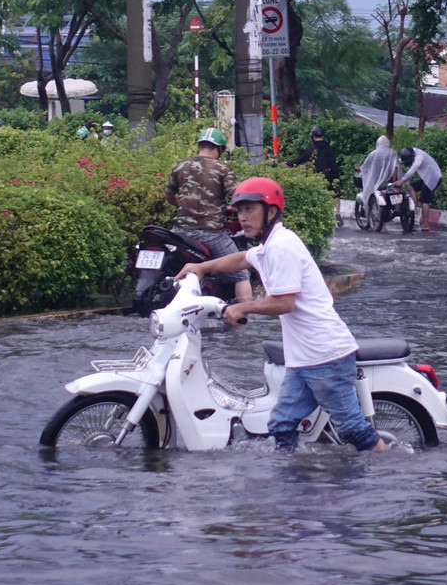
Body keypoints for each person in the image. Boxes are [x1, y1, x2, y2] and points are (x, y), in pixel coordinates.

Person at [178, 176, 388, 453]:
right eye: (239, 211)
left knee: (352, 429)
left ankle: (391, 471)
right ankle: (294, 484)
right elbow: (243, 258)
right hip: (304, 359)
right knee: (281, 425)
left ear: (271, 212)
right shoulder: (268, 246)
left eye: (250, 209)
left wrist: (243, 306)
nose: (242, 217)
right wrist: (203, 267)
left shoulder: (281, 247)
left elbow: (283, 303)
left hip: (327, 356)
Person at [165, 128, 253, 303]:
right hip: (211, 235)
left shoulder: (181, 165)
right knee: (241, 272)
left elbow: (168, 194)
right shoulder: (222, 169)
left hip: (179, 234)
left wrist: (182, 205)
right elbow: (237, 196)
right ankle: (244, 316)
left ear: (199, 145)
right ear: (219, 149)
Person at [287, 125, 342, 224]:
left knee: (316, 197)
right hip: (329, 176)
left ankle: (321, 217)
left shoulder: (310, 149)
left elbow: (298, 160)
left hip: (315, 178)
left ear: (312, 137)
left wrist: (287, 164)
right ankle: (337, 212)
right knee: (336, 195)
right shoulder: (329, 149)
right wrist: (336, 179)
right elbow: (334, 165)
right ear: (323, 136)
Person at [394, 146, 442, 230]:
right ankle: (413, 209)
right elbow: (398, 162)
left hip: (434, 178)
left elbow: (412, 169)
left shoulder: (420, 156)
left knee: (424, 200)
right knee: (411, 186)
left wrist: (402, 180)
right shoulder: (410, 153)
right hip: (426, 177)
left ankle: (426, 224)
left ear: (413, 155)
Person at [355, 134, 399, 218]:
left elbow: (365, 167)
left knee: (367, 194)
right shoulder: (393, 152)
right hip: (389, 183)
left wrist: (358, 168)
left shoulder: (373, 154)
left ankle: (367, 210)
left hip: (375, 183)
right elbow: (395, 168)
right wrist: (394, 182)